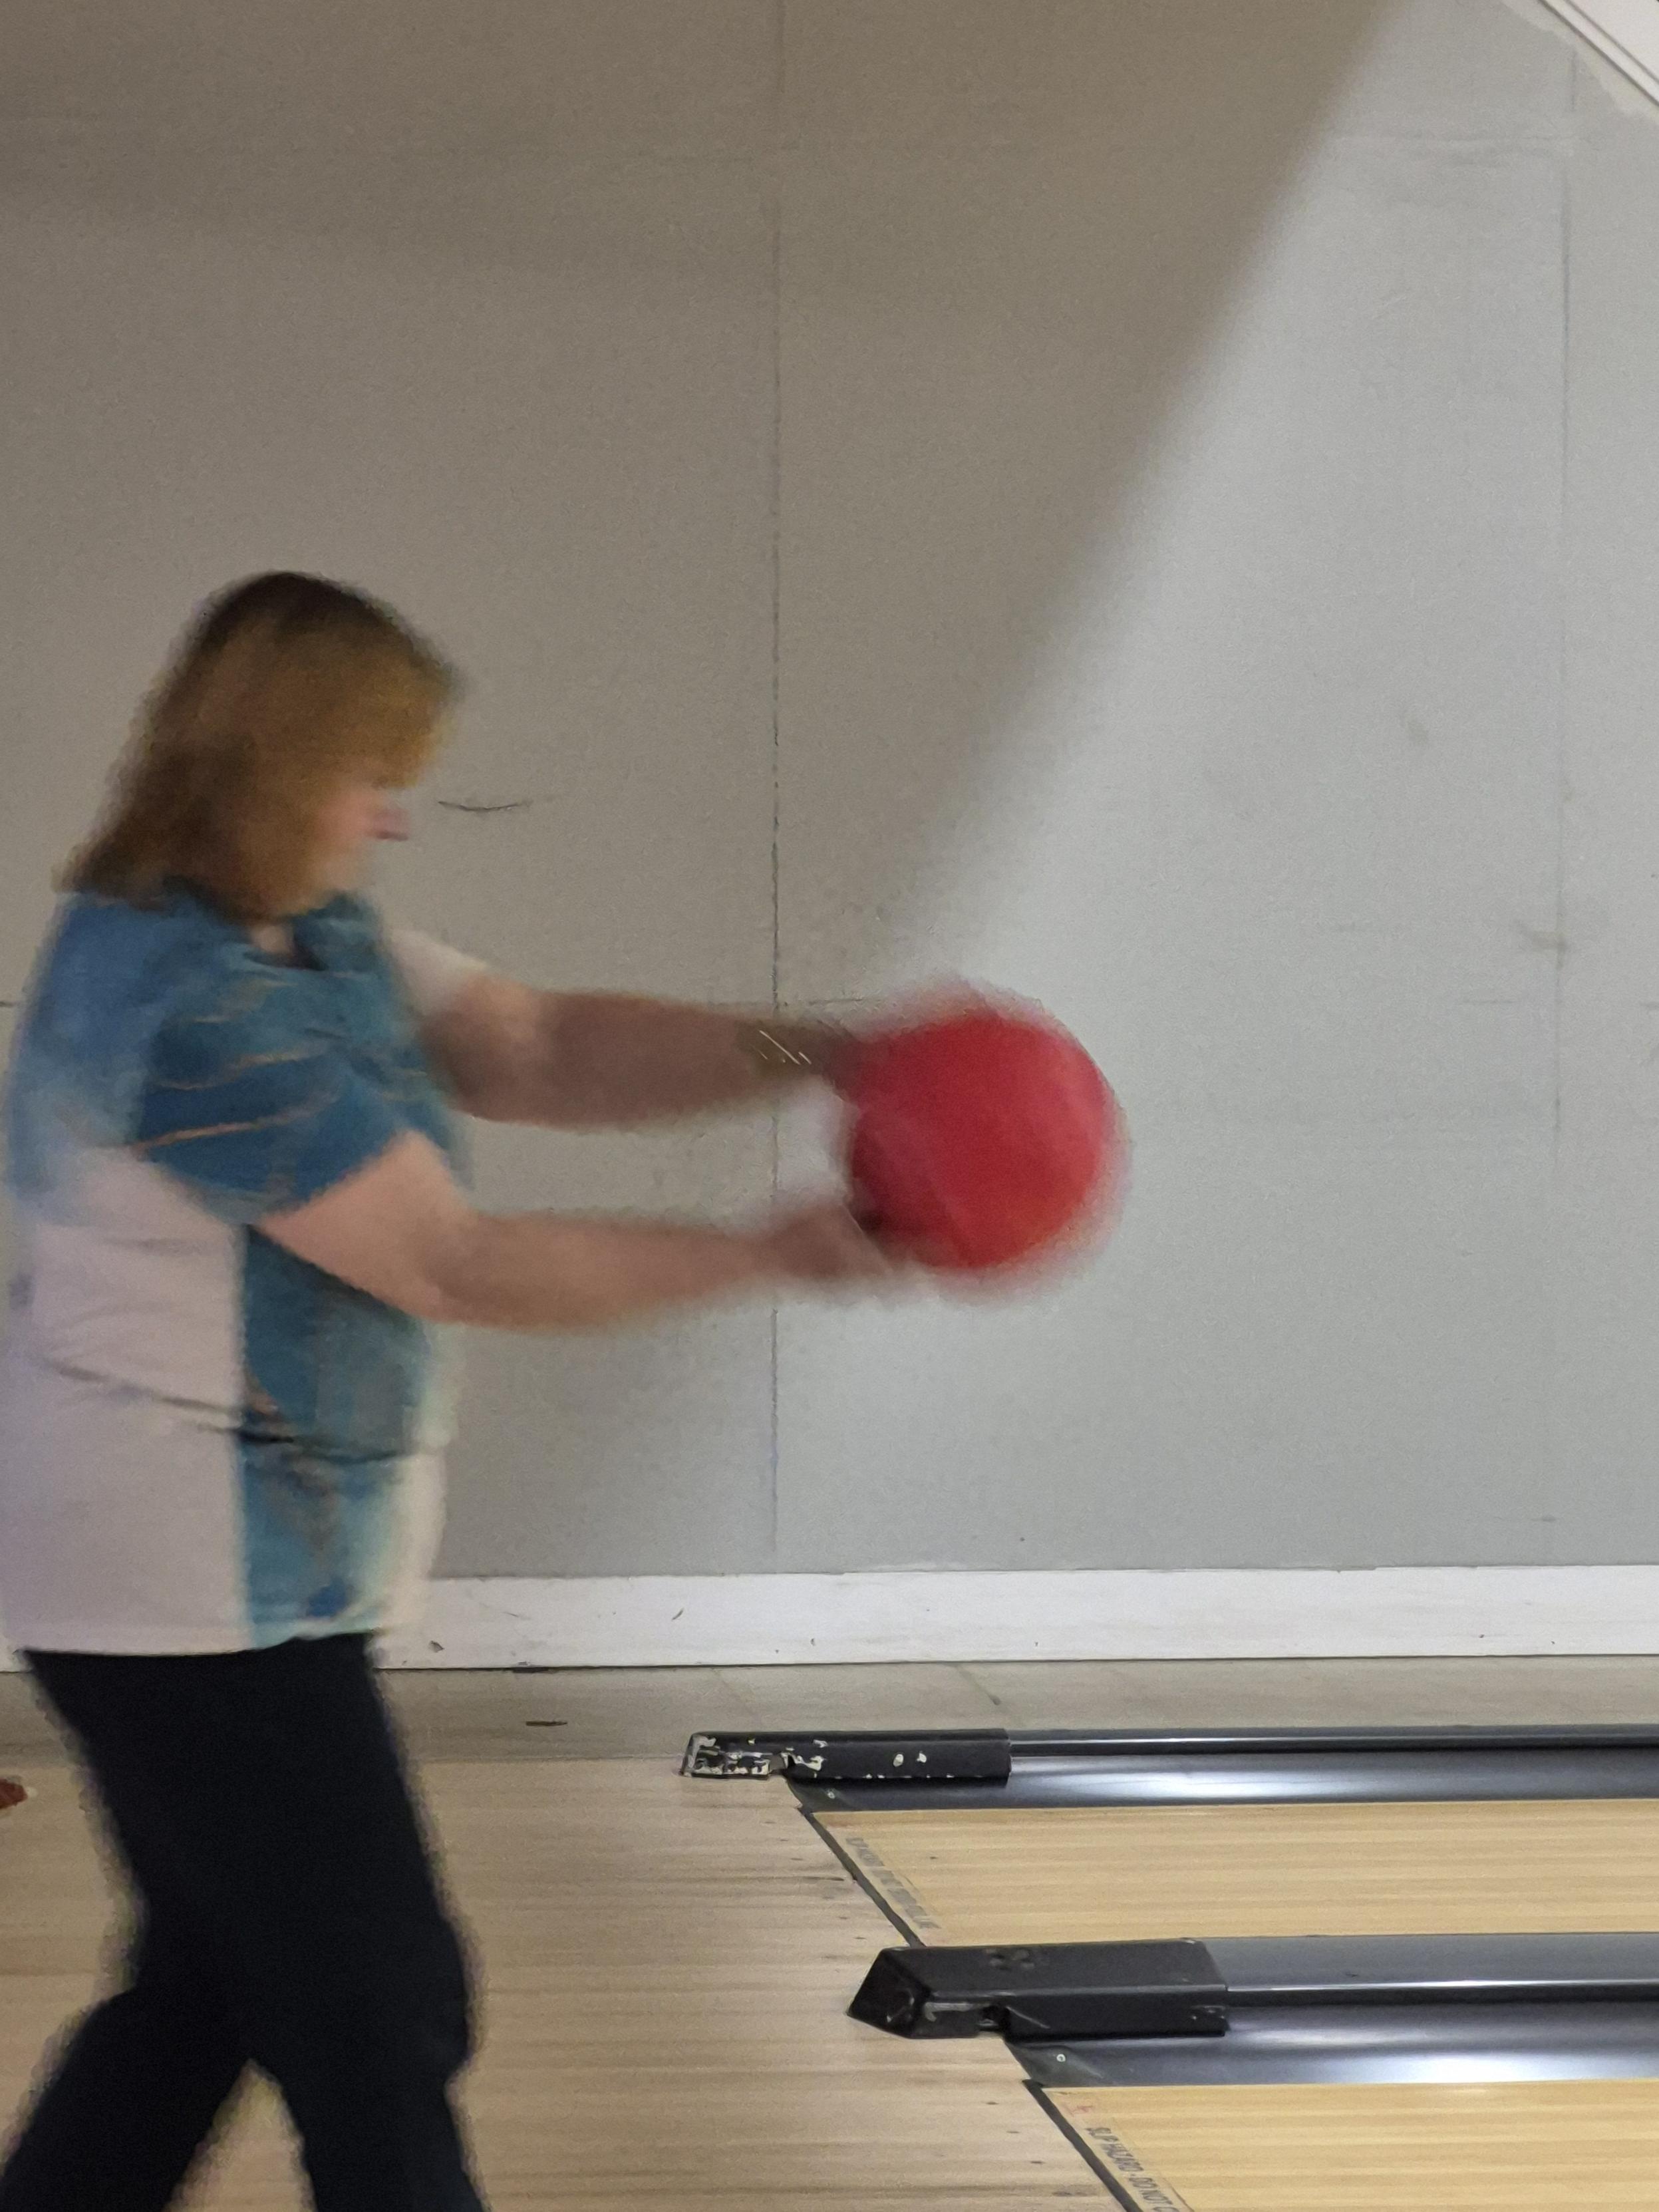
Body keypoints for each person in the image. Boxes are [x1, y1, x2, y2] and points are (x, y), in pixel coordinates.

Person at [0, 572, 903, 2212]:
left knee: (208, 1987)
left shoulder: (289, 919)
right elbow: (453, 1263)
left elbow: (536, 1045)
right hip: (177, 1580)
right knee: (382, 2003)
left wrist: (828, 1050)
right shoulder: (189, 1006)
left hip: (213, 1570)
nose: (394, 816)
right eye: (370, 774)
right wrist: (765, 1256)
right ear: (279, 768)